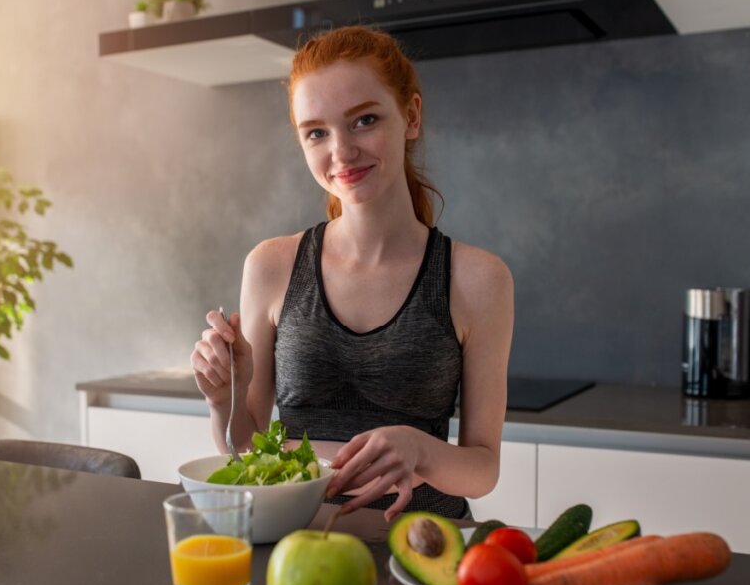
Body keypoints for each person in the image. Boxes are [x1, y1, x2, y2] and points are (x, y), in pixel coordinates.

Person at [191, 26, 513, 522]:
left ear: (411, 116)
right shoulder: (271, 266)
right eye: (317, 132)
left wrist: (420, 449)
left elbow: (483, 467)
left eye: (363, 120)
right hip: (296, 541)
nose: (340, 151)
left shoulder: (479, 279)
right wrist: (221, 400)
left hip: (426, 546)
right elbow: (248, 449)